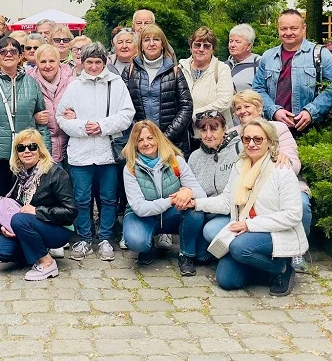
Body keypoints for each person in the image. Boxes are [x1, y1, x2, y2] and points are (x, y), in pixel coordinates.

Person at [190, 119, 307, 295]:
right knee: (226, 280)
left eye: (258, 139)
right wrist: (196, 203)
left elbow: (292, 215)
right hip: (245, 230)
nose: (251, 144)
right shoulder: (240, 166)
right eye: (247, 139)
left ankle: (281, 268)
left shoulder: (281, 169)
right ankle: (262, 269)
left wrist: (249, 225)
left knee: (239, 247)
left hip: (274, 231)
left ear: (270, 142)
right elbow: (227, 202)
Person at [57, 43, 135, 261]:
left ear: (104, 63)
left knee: (108, 198)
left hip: (107, 153)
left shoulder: (116, 84)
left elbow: (127, 114)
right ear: (82, 63)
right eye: (89, 62)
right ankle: (84, 238)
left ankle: (105, 238)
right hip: (80, 154)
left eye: (97, 62)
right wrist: (83, 127)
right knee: (81, 199)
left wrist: (102, 126)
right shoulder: (74, 86)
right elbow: (61, 117)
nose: (93, 67)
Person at [0, 37, 50, 237]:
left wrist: (45, 153)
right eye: (3, 52)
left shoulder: (31, 83)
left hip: (27, 153)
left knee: (26, 197)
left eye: (13, 51)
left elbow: (41, 120)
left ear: (21, 55)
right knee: (1, 197)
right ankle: (0, 238)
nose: (8, 54)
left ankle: (24, 235)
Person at [231, 89, 309, 271]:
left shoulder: (278, 128)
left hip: (280, 185)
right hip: (247, 189)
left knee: (302, 204)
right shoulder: (233, 134)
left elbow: (294, 164)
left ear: (259, 108)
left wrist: (279, 158)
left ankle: (296, 251)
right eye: (238, 108)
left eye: (247, 106)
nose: (242, 111)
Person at [0, 129, 77, 281]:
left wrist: (37, 211)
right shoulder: (19, 174)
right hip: (29, 226)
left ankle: (47, 263)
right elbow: (18, 206)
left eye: (32, 146)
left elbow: (70, 212)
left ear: (40, 150)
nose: (27, 151)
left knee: (19, 220)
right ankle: (38, 252)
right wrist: (8, 226)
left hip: (58, 228)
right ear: (17, 153)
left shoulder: (56, 173)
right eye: (21, 148)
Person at [121, 120, 206, 274]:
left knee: (195, 211)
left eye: (150, 138)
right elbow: (139, 207)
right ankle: (147, 247)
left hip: (171, 214)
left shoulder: (176, 161)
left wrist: (189, 192)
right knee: (137, 241)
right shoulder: (130, 168)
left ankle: (186, 255)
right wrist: (170, 200)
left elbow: (201, 193)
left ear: (158, 138)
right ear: (135, 144)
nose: (146, 143)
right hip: (143, 217)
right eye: (140, 140)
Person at [252, 9, 332, 135]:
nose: (288, 33)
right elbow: (258, 88)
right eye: (283, 29)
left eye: (294, 28)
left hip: (312, 130)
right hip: (275, 129)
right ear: (278, 29)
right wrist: (273, 111)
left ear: (303, 28)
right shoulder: (268, 56)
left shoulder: (320, 54)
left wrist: (311, 111)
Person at [123, 24, 193, 153]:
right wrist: (139, 135)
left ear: (162, 44)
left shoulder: (175, 71)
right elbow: (122, 106)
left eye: (156, 39)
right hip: (140, 143)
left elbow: (186, 106)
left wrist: (164, 137)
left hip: (172, 143)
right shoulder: (129, 71)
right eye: (146, 40)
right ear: (141, 46)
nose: (151, 44)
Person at [185, 110, 241, 262]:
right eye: (204, 130)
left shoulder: (239, 149)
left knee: (210, 233)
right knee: (201, 256)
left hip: (232, 212)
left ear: (224, 129)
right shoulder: (195, 157)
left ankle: (235, 254)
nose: (208, 135)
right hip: (206, 212)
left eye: (214, 129)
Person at [179, 27, 235, 140]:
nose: (201, 49)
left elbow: (225, 101)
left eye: (206, 46)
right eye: (197, 45)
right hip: (186, 135)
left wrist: (194, 114)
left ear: (213, 49)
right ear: (191, 47)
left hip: (215, 135)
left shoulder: (221, 69)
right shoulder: (180, 68)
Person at [27, 44, 74, 165]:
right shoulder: (28, 82)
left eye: (52, 61)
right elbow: (19, 114)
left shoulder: (71, 80)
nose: (48, 66)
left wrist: (76, 115)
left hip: (70, 147)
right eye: (43, 62)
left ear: (58, 61)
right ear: (36, 63)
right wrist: (33, 118)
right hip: (41, 147)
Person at [227, 24, 260, 93]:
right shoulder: (224, 65)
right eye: (231, 41)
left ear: (249, 46)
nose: (232, 45)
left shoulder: (259, 64)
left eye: (238, 42)